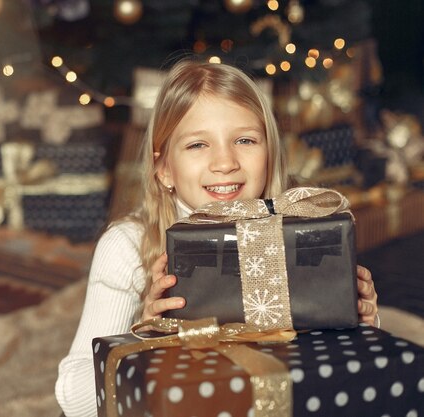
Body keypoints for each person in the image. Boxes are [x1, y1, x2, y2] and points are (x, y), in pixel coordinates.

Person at [55, 58, 379, 417]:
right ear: (164, 169)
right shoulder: (128, 246)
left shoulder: (301, 236)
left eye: (245, 140)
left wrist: (360, 324)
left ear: (269, 154)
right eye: (197, 145)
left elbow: (329, 377)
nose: (225, 162)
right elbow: (73, 398)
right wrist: (142, 341)